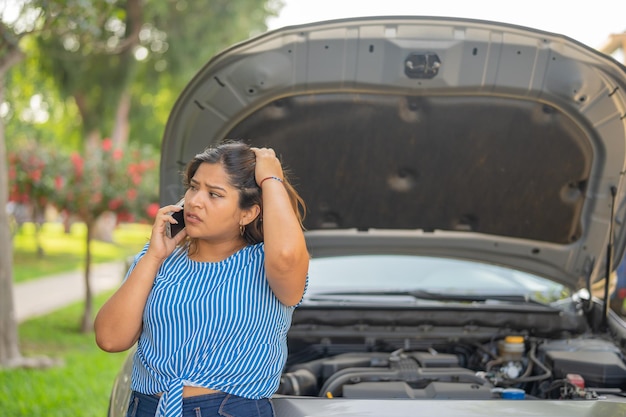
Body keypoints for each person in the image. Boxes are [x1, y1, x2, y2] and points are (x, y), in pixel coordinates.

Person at [94, 140, 309, 417]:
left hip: (230, 409)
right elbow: (110, 339)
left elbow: (288, 256)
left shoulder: (265, 262)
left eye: (214, 194)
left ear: (248, 212)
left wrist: (271, 178)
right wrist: (154, 257)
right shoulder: (160, 257)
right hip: (147, 407)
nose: (195, 201)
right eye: (194, 187)